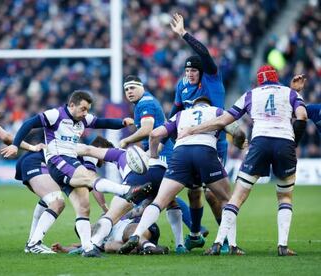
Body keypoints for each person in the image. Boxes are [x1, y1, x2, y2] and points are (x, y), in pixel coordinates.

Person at [2, 90, 151, 257]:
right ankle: (126, 191)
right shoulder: (55, 115)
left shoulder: (82, 119)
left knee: (83, 207)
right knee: (89, 177)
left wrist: (122, 123)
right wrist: (15, 145)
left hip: (69, 161)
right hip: (58, 160)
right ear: (71, 105)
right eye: (83, 109)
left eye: (87, 109)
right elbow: (29, 123)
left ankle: (88, 249)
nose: (85, 113)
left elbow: (102, 122)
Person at [178, 65, 307, 256]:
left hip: (259, 143)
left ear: (259, 80)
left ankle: (218, 243)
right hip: (285, 143)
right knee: (285, 197)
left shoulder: (250, 95)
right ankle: (282, 246)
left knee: (237, 197)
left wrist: (193, 129)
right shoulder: (290, 93)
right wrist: (293, 142)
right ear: (276, 78)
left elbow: (223, 121)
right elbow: (302, 116)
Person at [117, 96, 246, 255]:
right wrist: (240, 144)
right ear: (208, 105)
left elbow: (155, 134)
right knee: (227, 200)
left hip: (181, 155)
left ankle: (137, 234)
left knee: (160, 201)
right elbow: (238, 133)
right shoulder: (217, 111)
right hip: (205, 152)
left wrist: (153, 156)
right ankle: (231, 245)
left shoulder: (181, 115)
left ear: (193, 105)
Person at [169, 13, 228, 251]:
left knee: (214, 195)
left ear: (202, 72)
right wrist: (171, 139)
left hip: (215, 144)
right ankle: (194, 234)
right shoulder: (181, 87)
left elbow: (204, 54)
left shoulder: (212, 81)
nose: (190, 73)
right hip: (190, 145)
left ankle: (223, 238)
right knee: (193, 192)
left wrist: (184, 34)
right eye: (187, 71)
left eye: (194, 71)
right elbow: (174, 114)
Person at [119, 75, 187, 253]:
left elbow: (147, 129)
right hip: (159, 153)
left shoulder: (145, 103)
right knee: (168, 197)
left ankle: (127, 225)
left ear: (141, 87)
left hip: (161, 156)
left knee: (156, 194)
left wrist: (127, 140)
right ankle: (185, 239)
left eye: (133, 88)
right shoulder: (145, 102)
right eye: (126, 89)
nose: (129, 92)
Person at [15, 137, 110, 254]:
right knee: (57, 202)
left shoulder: (77, 151)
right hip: (37, 161)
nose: (105, 160)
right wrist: (105, 208)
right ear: (100, 149)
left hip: (28, 159)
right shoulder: (91, 153)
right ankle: (34, 244)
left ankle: (31, 241)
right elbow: (92, 179)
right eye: (106, 155)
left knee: (48, 201)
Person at [75, 136, 165, 254]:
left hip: (138, 175)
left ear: (102, 149)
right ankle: (178, 244)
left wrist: (61, 150)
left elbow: (88, 150)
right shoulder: (135, 153)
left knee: (112, 215)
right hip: (163, 172)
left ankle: (94, 244)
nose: (104, 163)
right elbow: (142, 209)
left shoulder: (117, 153)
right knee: (159, 206)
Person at [51, 218, 168, 255]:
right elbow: (79, 247)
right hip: (127, 239)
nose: (90, 227)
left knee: (129, 231)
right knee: (107, 246)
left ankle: (146, 246)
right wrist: (63, 248)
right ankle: (139, 248)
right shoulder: (95, 242)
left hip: (139, 226)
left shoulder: (105, 220)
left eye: (89, 225)